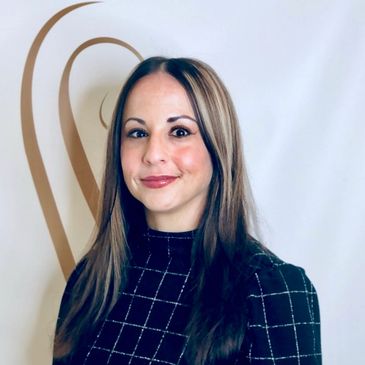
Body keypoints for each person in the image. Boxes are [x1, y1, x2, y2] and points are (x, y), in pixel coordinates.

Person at [53, 57, 321, 364]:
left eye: (179, 132)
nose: (153, 154)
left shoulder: (272, 291)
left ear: (218, 144)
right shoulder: (91, 280)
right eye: (138, 133)